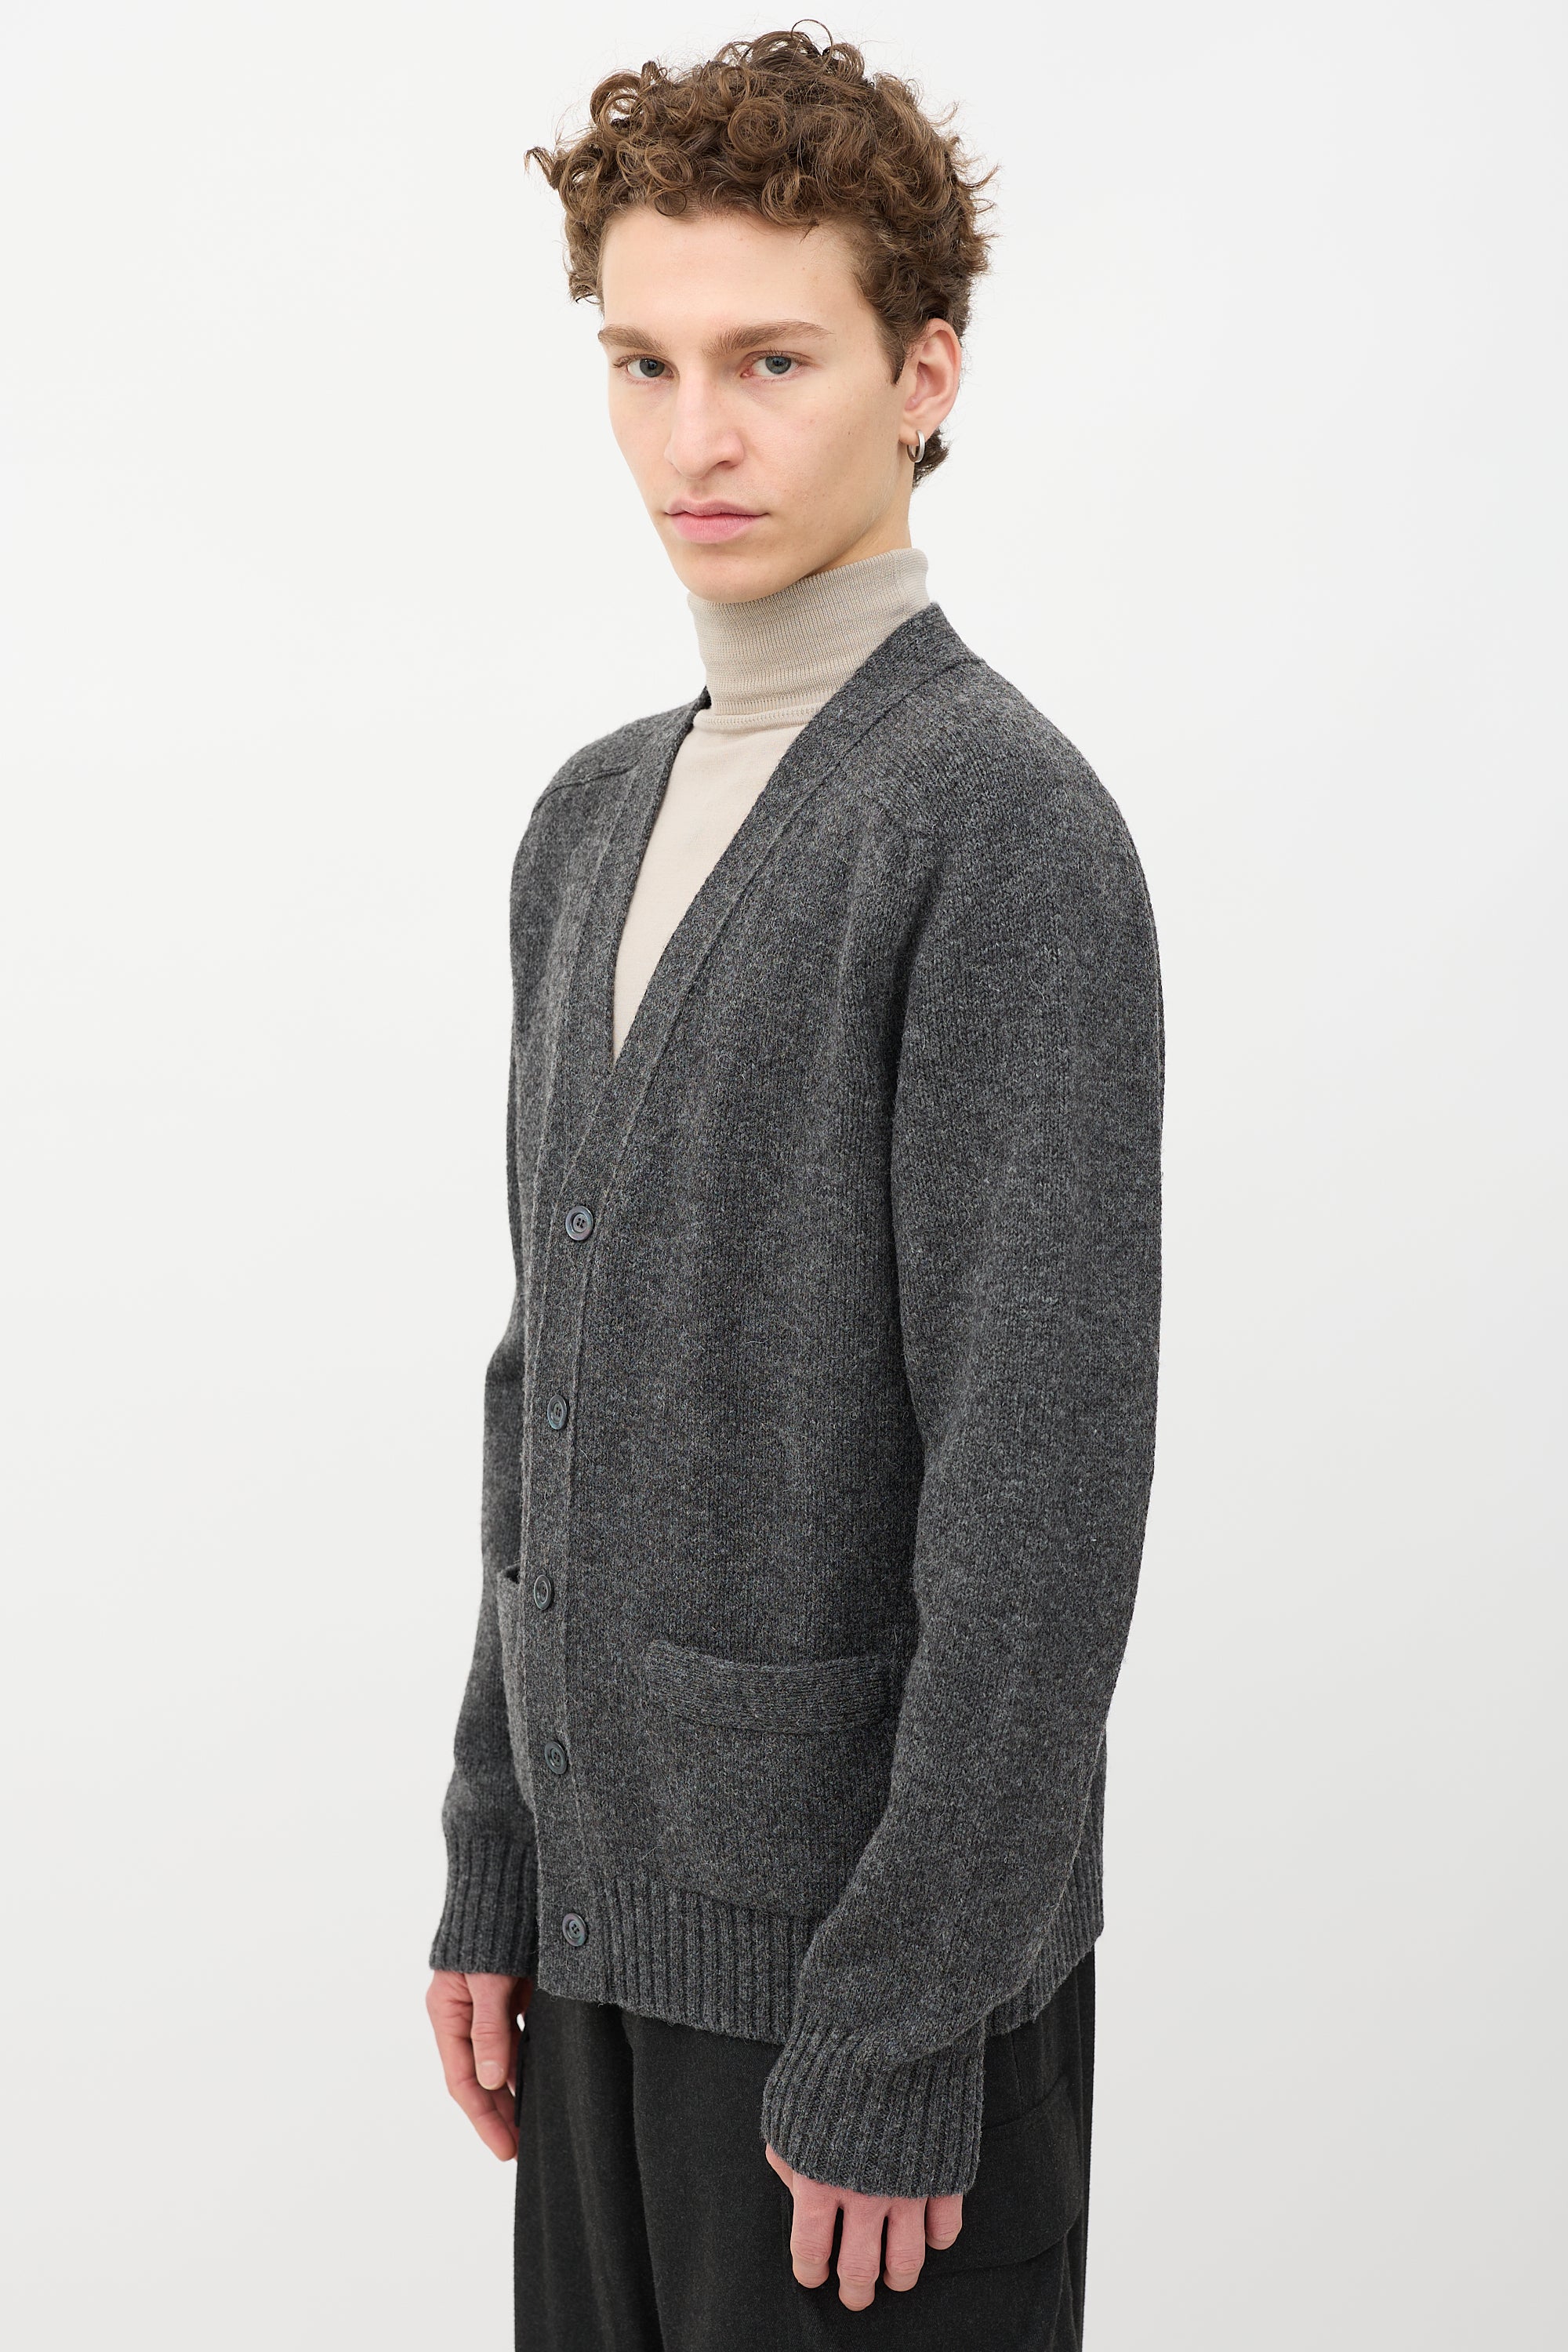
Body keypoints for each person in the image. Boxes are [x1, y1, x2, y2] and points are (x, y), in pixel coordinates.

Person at [424, 27, 1163, 2348]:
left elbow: (1041, 1488)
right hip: (602, 1956)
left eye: (771, 360)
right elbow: (549, 1386)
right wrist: (495, 1847)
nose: (695, 439)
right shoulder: (587, 824)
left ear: (923, 374)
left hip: (860, 2012)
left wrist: (906, 2022)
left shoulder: (999, 830)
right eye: (641, 363)